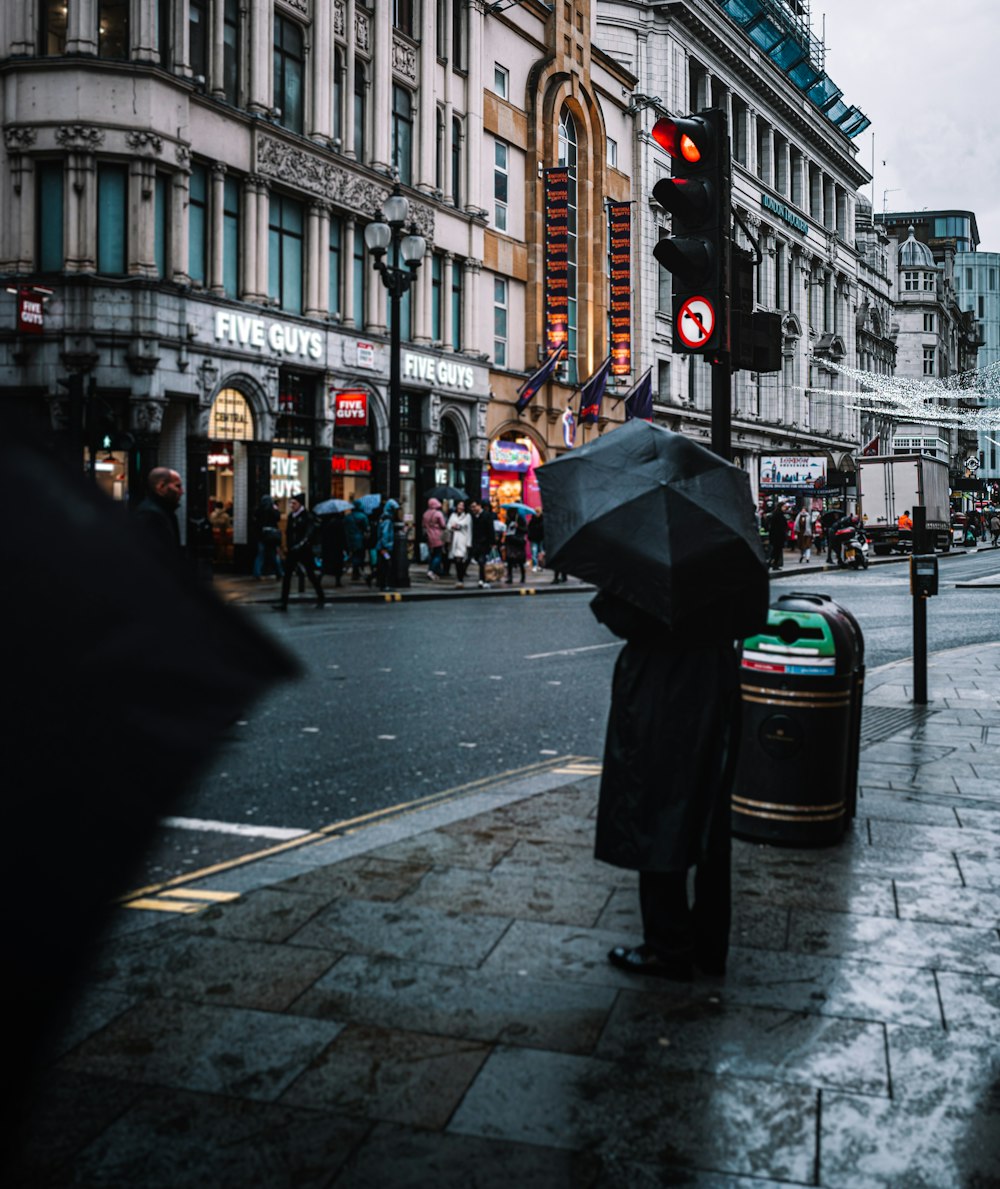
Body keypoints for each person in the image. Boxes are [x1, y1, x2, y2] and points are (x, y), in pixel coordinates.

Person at [593, 590, 745, 981]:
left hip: (662, 684)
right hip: (716, 680)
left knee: (657, 807)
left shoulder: (652, 555)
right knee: (710, 815)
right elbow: (749, 614)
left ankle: (668, 945)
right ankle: (710, 946)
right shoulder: (725, 549)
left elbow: (622, 615)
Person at [276, 493, 325, 610]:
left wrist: (301, 544)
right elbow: (288, 532)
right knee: (287, 576)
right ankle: (284, 602)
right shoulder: (291, 516)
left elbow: (309, 533)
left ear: (300, 504)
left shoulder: (307, 516)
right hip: (293, 550)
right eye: (291, 503)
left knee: (310, 574)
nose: (292, 505)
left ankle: (321, 596)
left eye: (294, 503)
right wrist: (287, 546)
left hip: (304, 550)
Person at [133, 466, 184, 567]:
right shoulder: (150, 515)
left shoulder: (161, 511)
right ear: (161, 487)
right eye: (177, 486)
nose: (182, 492)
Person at [252, 494, 284, 580]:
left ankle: (257, 573)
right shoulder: (272, 509)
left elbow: (255, 520)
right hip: (271, 536)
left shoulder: (259, 509)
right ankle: (279, 572)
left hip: (261, 535)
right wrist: (276, 509)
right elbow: (278, 518)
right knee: (273, 554)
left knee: (260, 555)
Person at [469, 499, 496, 588]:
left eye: (474, 506)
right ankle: (482, 579)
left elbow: (491, 530)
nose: (472, 509)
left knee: (482, 561)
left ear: (479, 506)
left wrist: (492, 542)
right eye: (471, 507)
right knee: (479, 560)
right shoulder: (473, 516)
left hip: (485, 542)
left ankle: (482, 579)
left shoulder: (487, 516)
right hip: (476, 542)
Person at [446, 499, 472, 587]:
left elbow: (466, 528)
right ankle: (459, 578)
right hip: (454, 540)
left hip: (463, 540)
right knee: (456, 560)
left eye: (462, 505)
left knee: (460, 559)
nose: (460, 507)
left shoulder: (467, 516)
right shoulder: (453, 515)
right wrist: (452, 526)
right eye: (459, 505)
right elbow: (448, 525)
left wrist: (469, 543)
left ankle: (460, 579)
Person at [376, 499, 400, 591]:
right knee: (386, 565)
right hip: (384, 548)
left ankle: (377, 580)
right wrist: (385, 547)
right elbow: (385, 533)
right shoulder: (388, 519)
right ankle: (383, 584)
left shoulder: (383, 517)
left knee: (383, 564)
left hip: (382, 546)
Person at [320, 509, 347, 589]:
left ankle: (320, 578)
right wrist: (345, 547)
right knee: (338, 565)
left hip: (328, 547)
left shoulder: (325, 522)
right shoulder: (339, 523)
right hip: (337, 547)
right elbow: (342, 536)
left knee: (326, 564)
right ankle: (337, 581)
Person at [422, 497, 447, 580]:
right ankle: (431, 571)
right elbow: (443, 525)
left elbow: (424, 525)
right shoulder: (438, 514)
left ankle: (433, 571)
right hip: (437, 536)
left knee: (432, 554)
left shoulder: (425, 514)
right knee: (438, 555)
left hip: (429, 536)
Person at [344, 500, 370, 581]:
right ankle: (357, 572)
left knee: (353, 555)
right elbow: (366, 528)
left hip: (349, 539)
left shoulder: (347, 517)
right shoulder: (362, 516)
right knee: (359, 556)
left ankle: (356, 572)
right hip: (359, 539)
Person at [503, 509, 528, 584]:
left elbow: (526, 530)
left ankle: (523, 577)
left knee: (520, 561)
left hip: (518, 541)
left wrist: (518, 527)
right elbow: (507, 529)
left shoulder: (520, 518)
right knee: (509, 560)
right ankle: (510, 577)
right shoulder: (508, 519)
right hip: (510, 541)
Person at [765, 501, 788, 570]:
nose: (785, 508)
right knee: (776, 550)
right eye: (784, 507)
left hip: (777, 535)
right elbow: (779, 526)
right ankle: (771, 564)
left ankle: (773, 564)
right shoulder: (778, 515)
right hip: (778, 536)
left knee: (776, 550)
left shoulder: (777, 514)